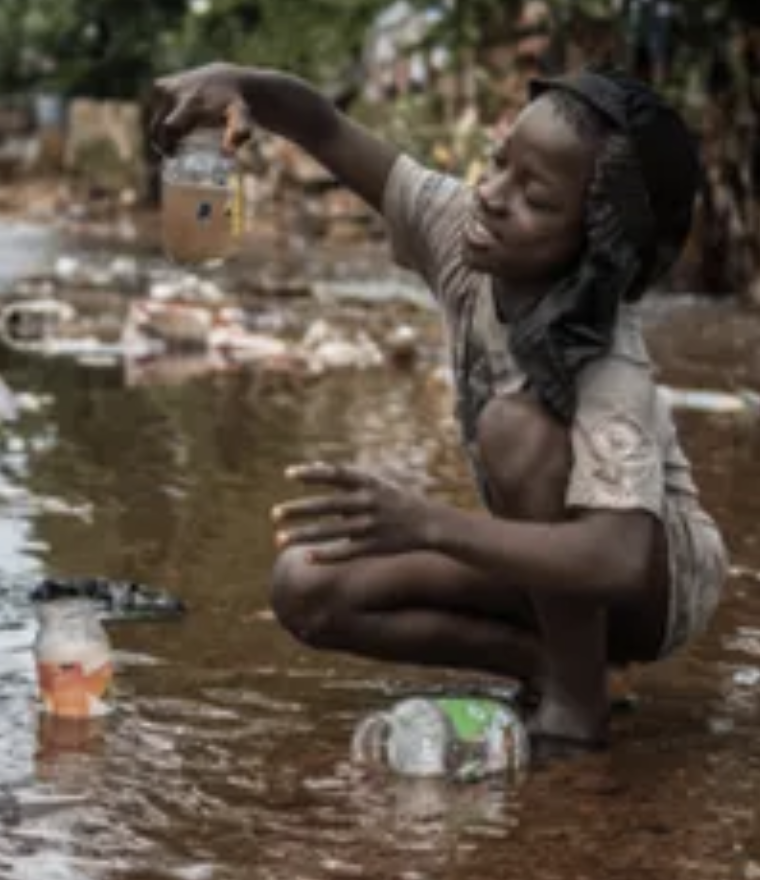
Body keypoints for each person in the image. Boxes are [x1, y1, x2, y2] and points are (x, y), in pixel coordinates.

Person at [150, 63, 728, 753]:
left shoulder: (609, 360)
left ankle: (577, 708)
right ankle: (551, 666)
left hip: (658, 590)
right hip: (557, 558)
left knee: (513, 429)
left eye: (535, 198)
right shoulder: (461, 231)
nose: (491, 195)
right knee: (306, 584)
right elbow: (325, 127)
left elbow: (620, 556)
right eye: (498, 164)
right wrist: (238, 83)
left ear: (595, 249)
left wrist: (425, 523)